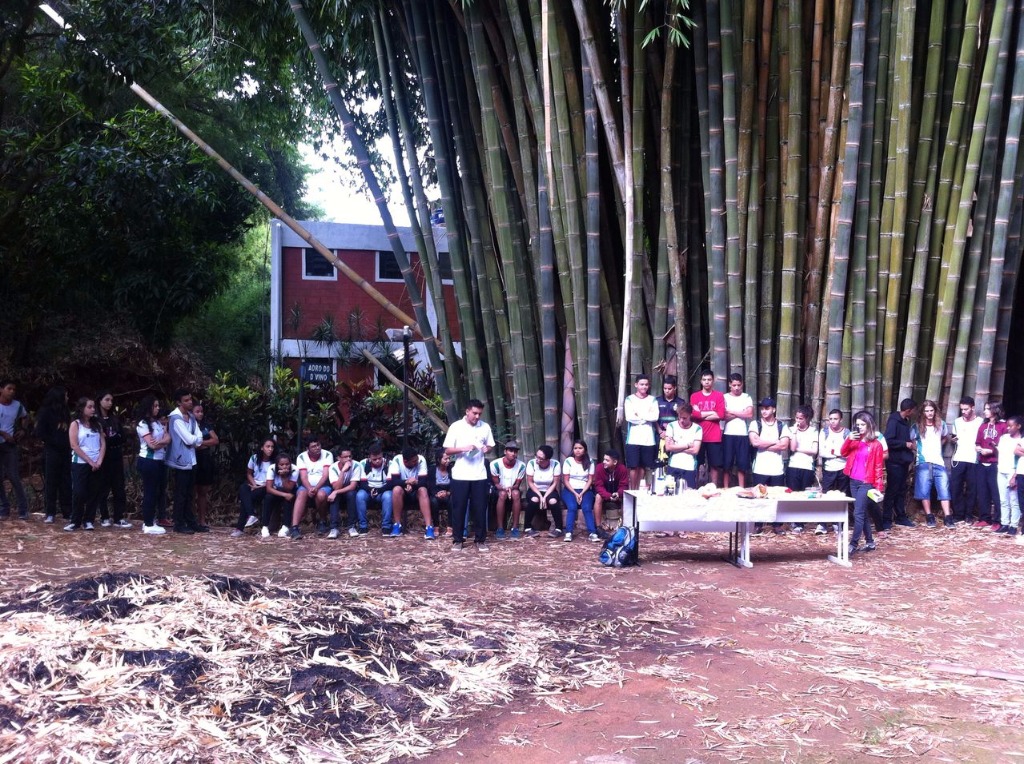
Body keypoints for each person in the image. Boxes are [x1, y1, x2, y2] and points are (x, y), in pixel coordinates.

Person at [443, 399, 495, 551]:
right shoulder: (456, 427)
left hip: (479, 474)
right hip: (460, 474)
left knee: (480, 508)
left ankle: (480, 540)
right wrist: (463, 448)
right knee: (458, 508)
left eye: (479, 414)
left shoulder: (485, 427)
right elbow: (447, 450)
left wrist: (486, 449)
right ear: (467, 411)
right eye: (474, 413)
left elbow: (490, 445)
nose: (477, 416)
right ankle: (458, 540)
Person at [841, 411, 886, 556]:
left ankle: (853, 544)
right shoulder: (854, 440)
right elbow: (843, 453)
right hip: (853, 480)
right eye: (858, 424)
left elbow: (878, 467)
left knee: (858, 513)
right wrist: (848, 440)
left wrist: (879, 487)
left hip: (866, 482)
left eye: (862, 424)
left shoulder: (876, 444)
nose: (859, 427)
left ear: (869, 425)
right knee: (862, 512)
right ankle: (870, 542)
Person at [165, 388, 207, 534]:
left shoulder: (191, 417)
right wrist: (196, 440)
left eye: (190, 399)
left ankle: (191, 521)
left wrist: (196, 440)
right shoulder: (175, 418)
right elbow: (189, 439)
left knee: (190, 494)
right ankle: (179, 523)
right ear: (179, 402)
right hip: (180, 461)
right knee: (181, 493)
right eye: (186, 400)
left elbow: (199, 437)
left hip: (192, 460)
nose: (190, 402)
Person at [749, 397, 789, 533]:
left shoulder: (782, 426)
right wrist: (775, 441)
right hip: (760, 467)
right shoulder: (755, 424)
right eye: (762, 409)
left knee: (776, 496)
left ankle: (776, 525)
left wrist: (764, 443)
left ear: (774, 409)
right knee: (758, 497)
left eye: (767, 408)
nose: (764, 411)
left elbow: (784, 445)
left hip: (777, 468)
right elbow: (755, 443)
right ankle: (758, 524)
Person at [910, 399, 953, 528]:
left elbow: (945, 437)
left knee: (944, 489)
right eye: (927, 411)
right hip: (923, 461)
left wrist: (937, 446)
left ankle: (948, 517)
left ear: (935, 411)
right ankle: (929, 516)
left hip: (939, 461)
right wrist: (919, 450)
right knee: (924, 490)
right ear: (922, 412)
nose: (929, 413)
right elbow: (912, 442)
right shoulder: (916, 426)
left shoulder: (941, 424)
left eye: (931, 410)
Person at [65, 397, 105, 531]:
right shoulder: (75, 424)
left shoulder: (97, 425)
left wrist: (99, 461)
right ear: (82, 409)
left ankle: (89, 520)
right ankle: (75, 520)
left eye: (94, 407)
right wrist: (90, 461)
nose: (93, 409)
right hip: (81, 463)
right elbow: (74, 445)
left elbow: (103, 443)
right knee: (79, 492)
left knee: (94, 492)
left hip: (96, 463)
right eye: (89, 407)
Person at [35, 386, 72, 523]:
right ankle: (50, 512)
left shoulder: (65, 412)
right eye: (66, 395)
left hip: (66, 451)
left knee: (66, 481)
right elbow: (40, 432)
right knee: (51, 481)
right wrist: (53, 441)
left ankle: (67, 511)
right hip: (51, 451)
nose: (68, 398)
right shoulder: (45, 412)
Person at [135, 395, 170, 535]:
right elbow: (152, 445)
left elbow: (168, 437)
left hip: (160, 460)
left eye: (158, 406)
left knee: (157, 491)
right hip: (149, 461)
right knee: (150, 492)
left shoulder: (157, 422)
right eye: (155, 406)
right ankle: (148, 523)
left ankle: (151, 519)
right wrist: (162, 442)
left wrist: (161, 442)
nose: (158, 408)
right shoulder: (142, 424)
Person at [94, 391, 130, 528]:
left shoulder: (114, 419)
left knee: (118, 487)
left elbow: (122, 437)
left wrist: (112, 439)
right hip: (103, 456)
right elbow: (100, 439)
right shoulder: (96, 420)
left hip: (116, 456)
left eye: (111, 400)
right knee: (103, 487)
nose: (110, 403)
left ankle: (119, 517)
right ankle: (104, 516)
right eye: (107, 400)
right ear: (100, 401)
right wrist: (110, 439)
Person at [882, 399, 917, 527]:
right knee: (892, 490)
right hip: (894, 462)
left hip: (903, 461)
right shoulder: (894, 421)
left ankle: (900, 516)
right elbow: (888, 440)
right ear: (908, 410)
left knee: (901, 489)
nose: (914, 413)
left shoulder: (905, 421)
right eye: (913, 410)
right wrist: (905, 444)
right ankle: (886, 519)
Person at [231, 437, 276, 537]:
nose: (270, 449)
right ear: (262, 448)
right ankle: (251, 514)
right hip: (255, 484)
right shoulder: (254, 458)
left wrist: (259, 487)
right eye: (268, 446)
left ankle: (241, 527)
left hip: (267, 486)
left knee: (246, 499)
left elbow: (275, 480)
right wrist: (254, 485)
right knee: (243, 488)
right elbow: (249, 473)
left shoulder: (274, 461)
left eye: (272, 447)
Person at [690, 369, 727, 486]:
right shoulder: (695, 396)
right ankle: (695, 486)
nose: (707, 382)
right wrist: (712, 412)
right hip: (698, 436)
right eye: (704, 380)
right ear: (701, 381)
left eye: (709, 379)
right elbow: (693, 415)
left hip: (714, 436)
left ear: (713, 381)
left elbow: (721, 415)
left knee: (714, 465)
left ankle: (714, 487)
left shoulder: (719, 396)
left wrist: (700, 414)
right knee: (696, 463)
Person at [817, 409, 850, 534]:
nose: (832, 421)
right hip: (828, 469)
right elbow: (822, 452)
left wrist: (833, 452)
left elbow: (848, 453)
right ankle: (822, 524)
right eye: (830, 419)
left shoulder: (847, 433)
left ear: (841, 419)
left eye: (835, 419)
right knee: (825, 496)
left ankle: (838, 523)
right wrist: (839, 453)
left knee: (841, 496)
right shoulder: (824, 432)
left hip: (843, 469)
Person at [950, 396, 982, 524]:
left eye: (966, 409)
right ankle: (958, 514)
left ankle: (969, 514)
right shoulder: (957, 421)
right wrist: (953, 440)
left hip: (974, 459)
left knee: (972, 488)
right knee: (955, 487)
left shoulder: (980, 422)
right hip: (958, 458)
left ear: (973, 407)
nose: (963, 412)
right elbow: (954, 437)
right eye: (962, 409)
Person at [0, 379, 29, 519]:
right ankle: (4, 508)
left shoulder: (17, 405)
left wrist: (23, 429)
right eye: (9, 388)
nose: (12, 392)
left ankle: (23, 509)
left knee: (13, 476)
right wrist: (3, 433)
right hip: (3, 439)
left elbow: (25, 417)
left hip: (9, 445)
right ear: (1, 389)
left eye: (14, 389)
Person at [624, 375, 659, 490]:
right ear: (636, 385)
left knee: (643, 466)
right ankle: (632, 490)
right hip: (633, 438)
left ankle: (639, 490)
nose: (644, 387)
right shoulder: (629, 399)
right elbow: (629, 417)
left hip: (648, 439)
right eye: (641, 384)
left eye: (646, 384)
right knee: (633, 466)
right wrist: (646, 417)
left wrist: (639, 415)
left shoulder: (652, 399)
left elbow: (655, 417)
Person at [294, 435, 334, 536]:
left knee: (321, 495)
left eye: (318, 445)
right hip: (306, 486)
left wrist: (316, 488)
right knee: (301, 493)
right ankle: (294, 527)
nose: (317, 448)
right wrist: (309, 488)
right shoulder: (301, 457)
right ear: (307, 448)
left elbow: (325, 475)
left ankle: (322, 521)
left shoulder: (327, 454)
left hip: (323, 485)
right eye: (313, 446)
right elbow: (303, 477)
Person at [389, 446, 431, 538]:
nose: (416, 462)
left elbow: (424, 482)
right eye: (414, 461)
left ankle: (429, 527)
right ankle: (397, 525)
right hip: (403, 491)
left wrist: (414, 483)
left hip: (417, 490)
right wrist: (407, 482)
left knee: (423, 490)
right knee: (396, 489)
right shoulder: (397, 460)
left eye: (416, 460)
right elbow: (393, 482)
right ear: (405, 461)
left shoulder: (421, 460)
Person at [975, 401, 1006, 530]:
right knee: (982, 491)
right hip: (982, 462)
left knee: (996, 492)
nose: (985, 411)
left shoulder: (1003, 426)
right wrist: (978, 448)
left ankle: (998, 520)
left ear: (995, 410)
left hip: (995, 463)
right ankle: (984, 518)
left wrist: (992, 451)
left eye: (988, 409)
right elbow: (977, 442)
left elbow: (1005, 446)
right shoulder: (983, 426)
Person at [561, 439, 598, 542]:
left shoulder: (590, 461)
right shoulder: (568, 461)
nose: (577, 450)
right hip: (569, 490)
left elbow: (590, 480)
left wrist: (581, 493)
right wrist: (575, 493)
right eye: (575, 448)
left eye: (580, 448)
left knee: (587, 508)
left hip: (585, 490)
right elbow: (566, 480)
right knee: (572, 507)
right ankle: (568, 532)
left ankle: (592, 533)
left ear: (585, 450)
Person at [722, 373, 753, 488]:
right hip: (728, 433)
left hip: (742, 434)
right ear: (729, 385)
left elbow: (749, 414)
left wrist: (732, 412)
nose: (736, 388)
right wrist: (741, 413)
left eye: (739, 385)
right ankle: (726, 488)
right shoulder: (724, 397)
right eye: (734, 385)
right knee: (727, 463)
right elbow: (723, 416)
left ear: (742, 384)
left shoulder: (746, 397)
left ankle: (741, 488)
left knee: (742, 464)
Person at [354, 443, 393, 535]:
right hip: (368, 490)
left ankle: (386, 526)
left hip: (383, 490)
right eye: (374, 459)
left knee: (388, 496)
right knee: (360, 495)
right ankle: (363, 526)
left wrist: (378, 490)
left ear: (382, 455)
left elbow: (390, 484)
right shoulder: (363, 463)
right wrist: (371, 489)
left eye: (379, 458)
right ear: (369, 457)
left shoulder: (389, 464)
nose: (377, 461)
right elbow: (362, 483)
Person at [525, 444, 563, 538]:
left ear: (547, 459)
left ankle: (559, 528)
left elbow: (554, 483)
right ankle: (527, 527)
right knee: (534, 500)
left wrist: (545, 496)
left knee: (553, 501)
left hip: (550, 490)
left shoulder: (555, 464)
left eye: (540, 458)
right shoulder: (531, 463)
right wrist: (540, 496)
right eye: (536, 456)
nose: (537, 459)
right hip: (534, 489)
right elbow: (530, 482)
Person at [490, 441, 526, 539]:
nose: (513, 453)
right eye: (511, 451)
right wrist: (504, 488)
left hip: (513, 489)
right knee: (502, 494)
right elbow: (496, 484)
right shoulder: (495, 464)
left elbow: (517, 484)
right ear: (505, 451)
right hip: (499, 490)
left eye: (515, 451)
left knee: (516, 494)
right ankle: (500, 528)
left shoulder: (521, 466)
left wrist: (510, 488)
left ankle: (515, 528)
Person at [663, 401, 702, 490]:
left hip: (689, 467)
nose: (681, 420)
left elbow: (695, 451)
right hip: (673, 465)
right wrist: (687, 445)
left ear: (690, 415)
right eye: (680, 417)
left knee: (689, 493)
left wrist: (676, 446)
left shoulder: (697, 429)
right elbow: (668, 447)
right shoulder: (671, 426)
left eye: (684, 418)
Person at [192, 402, 219, 527]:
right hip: (193, 459)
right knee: (191, 491)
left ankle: (202, 520)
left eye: (201, 411)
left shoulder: (206, 425)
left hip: (205, 459)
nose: (200, 414)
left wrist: (201, 442)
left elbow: (215, 440)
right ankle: (191, 519)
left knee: (203, 491)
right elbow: (192, 444)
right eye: (197, 411)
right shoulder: (189, 425)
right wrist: (203, 443)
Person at [994, 415, 1022, 536]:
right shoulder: (1004, 438)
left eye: (1011, 426)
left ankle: (1013, 525)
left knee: (1014, 500)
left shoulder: (1021, 441)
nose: (1008, 428)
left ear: (1018, 426)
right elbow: (1000, 452)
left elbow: (1019, 460)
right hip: (1001, 470)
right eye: (1007, 426)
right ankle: (1004, 523)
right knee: (1003, 499)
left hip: (1012, 471)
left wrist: (1015, 476)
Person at [261, 453, 298, 538]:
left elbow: (289, 488)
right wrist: (284, 495)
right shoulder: (272, 468)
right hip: (276, 491)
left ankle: (286, 526)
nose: (285, 467)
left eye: (287, 464)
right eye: (281, 464)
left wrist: (284, 477)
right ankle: (265, 526)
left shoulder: (294, 469)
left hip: (289, 490)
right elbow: (269, 488)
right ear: (277, 465)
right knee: (268, 498)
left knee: (289, 499)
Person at [326, 447, 358, 538]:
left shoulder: (356, 465)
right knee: (334, 497)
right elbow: (336, 487)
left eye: (350, 456)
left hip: (349, 490)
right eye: (345, 457)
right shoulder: (333, 467)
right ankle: (334, 528)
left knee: (351, 494)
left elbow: (352, 486)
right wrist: (343, 471)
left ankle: (351, 526)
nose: (349, 459)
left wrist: (336, 492)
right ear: (339, 458)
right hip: (339, 488)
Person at [593, 448, 628, 535]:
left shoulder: (622, 469)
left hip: (617, 493)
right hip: (604, 494)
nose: (604, 462)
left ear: (615, 462)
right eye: (604, 459)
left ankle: (624, 526)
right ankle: (598, 527)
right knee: (598, 497)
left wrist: (618, 493)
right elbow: (598, 486)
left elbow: (624, 485)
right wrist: (608, 496)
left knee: (627, 498)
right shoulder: (599, 468)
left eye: (607, 460)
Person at [429, 449, 453, 537]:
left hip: (448, 493)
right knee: (433, 501)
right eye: (445, 459)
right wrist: (437, 493)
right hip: (436, 493)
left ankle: (450, 526)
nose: (448, 461)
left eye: (449, 458)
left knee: (452, 501)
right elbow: (430, 484)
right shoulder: (432, 470)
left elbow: (454, 484)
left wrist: (448, 492)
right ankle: (436, 526)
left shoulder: (452, 469)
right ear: (439, 460)